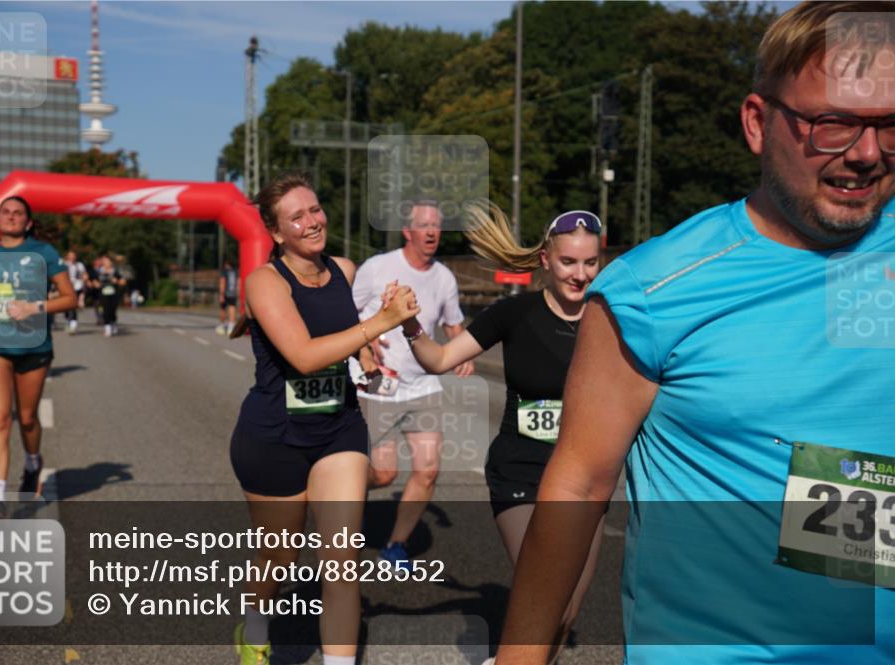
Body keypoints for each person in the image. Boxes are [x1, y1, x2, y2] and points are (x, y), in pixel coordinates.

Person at [497, 3, 895, 664]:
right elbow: (579, 486)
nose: (867, 153)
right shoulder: (656, 289)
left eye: (889, 126)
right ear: (758, 123)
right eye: (833, 124)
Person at [229, 172, 419, 665]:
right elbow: (304, 355)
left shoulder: (344, 270)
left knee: (341, 563)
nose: (313, 221)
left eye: (314, 209)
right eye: (297, 217)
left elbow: (338, 328)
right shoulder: (264, 282)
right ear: (276, 233)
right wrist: (379, 324)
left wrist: (366, 352)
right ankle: (254, 626)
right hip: (274, 437)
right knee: (280, 555)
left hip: (338, 428)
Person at [401, 204, 605, 654]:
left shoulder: (611, 319)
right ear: (545, 260)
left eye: (590, 262)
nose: (580, 274)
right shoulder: (513, 313)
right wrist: (410, 325)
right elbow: (439, 359)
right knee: (548, 594)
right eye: (568, 262)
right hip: (522, 471)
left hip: (585, 479)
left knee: (568, 610)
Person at [350, 201, 474, 569]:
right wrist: (364, 340)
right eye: (424, 225)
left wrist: (464, 350)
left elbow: (453, 324)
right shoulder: (377, 268)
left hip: (422, 386)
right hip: (378, 383)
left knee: (428, 470)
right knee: (384, 473)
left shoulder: (444, 278)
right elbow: (344, 311)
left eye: (436, 226)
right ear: (408, 231)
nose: (432, 232)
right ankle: (338, 492)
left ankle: (395, 546)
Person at [0, 196, 76, 514]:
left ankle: (32, 462)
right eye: (6, 212)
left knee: (27, 419)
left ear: (28, 222)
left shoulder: (44, 253)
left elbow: (70, 298)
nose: (11, 217)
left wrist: (34, 307)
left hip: (32, 345)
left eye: (18, 213)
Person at [94, 254, 125, 337]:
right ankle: (107, 328)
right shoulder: (99, 271)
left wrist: (117, 281)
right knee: (105, 310)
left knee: (112, 311)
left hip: (114, 294)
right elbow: (94, 281)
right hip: (103, 294)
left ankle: (113, 323)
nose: (106, 262)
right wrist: (96, 284)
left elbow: (123, 282)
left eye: (107, 261)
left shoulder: (115, 271)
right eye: (104, 261)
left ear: (111, 262)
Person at [63, 251, 87, 334]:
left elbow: (84, 275)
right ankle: (68, 320)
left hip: (77, 287)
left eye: (73, 256)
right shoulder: (64, 264)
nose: (72, 258)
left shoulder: (80, 265)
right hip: (66, 287)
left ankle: (73, 324)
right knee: (66, 307)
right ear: (67, 257)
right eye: (70, 256)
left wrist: (85, 279)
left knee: (73, 305)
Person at [217, 259, 239, 335]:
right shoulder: (236, 271)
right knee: (232, 308)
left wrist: (221, 295)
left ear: (226, 264)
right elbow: (239, 282)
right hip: (233, 293)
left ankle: (222, 326)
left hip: (226, 293)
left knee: (223, 309)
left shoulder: (224, 271)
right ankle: (231, 326)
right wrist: (237, 293)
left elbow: (222, 282)